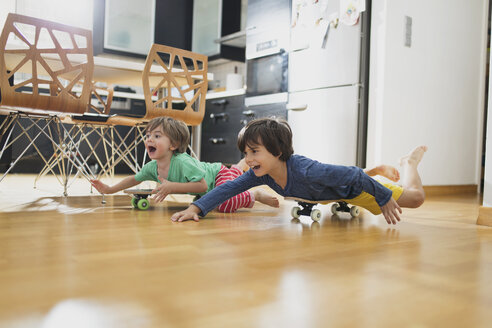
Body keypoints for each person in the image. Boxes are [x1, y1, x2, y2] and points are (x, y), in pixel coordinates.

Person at [170, 117, 427, 224]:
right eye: (245, 153)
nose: (247, 160)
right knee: (331, 185)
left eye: (254, 152)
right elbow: (227, 188)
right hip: (322, 192)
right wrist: (195, 208)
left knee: (416, 198)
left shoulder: (307, 170)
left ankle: (408, 164)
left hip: (352, 189)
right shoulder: (262, 172)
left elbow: (352, 176)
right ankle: (375, 169)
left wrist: (383, 196)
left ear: (278, 153)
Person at [90, 116, 279, 213]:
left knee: (224, 204)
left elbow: (203, 185)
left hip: (218, 175)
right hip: (209, 187)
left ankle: (254, 194)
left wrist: (172, 187)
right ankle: (238, 168)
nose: (149, 139)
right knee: (210, 202)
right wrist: (109, 190)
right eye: (148, 136)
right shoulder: (152, 167)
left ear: (173, 145)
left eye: (157, 136)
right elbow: (134, 179)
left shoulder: (182, 162)